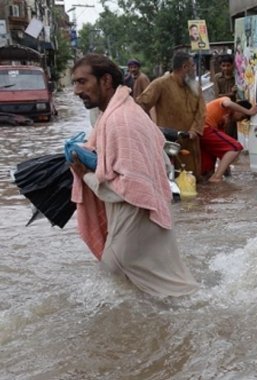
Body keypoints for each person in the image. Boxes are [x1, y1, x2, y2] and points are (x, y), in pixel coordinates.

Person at [69, 53, 198, 297]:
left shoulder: (120, 120)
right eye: (75, 83)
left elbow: (129, 186)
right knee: (177, 291)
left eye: (82, 82)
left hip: (133, 224)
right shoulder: (126, 112)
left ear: (105, 81)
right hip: (150, 219)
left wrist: (86, 174)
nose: (76, 90)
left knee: (121, 283)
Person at [136, 51, 205, 178]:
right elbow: (140, 105)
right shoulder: (160, 84)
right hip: (169, 142)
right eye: (193, 66)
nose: (194, 69)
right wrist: (151, 128)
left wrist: (194, 131)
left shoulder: (195, 86)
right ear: (185, 67)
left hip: (191, 141)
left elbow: (201, 112)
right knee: (169, 178)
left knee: (193, 180)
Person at [201, 97, 257, 182]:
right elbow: (228, 103)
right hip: (204, 127)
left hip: (202, 131)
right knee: (235, 147)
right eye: (242, 116)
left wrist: (226, 170)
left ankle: (213, 179)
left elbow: (224, 151)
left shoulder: (223, 120)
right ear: (238, 109)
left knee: (206, 173)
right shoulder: (226, 101)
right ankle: (216, 178)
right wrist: (248, 112)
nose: (239, 120)